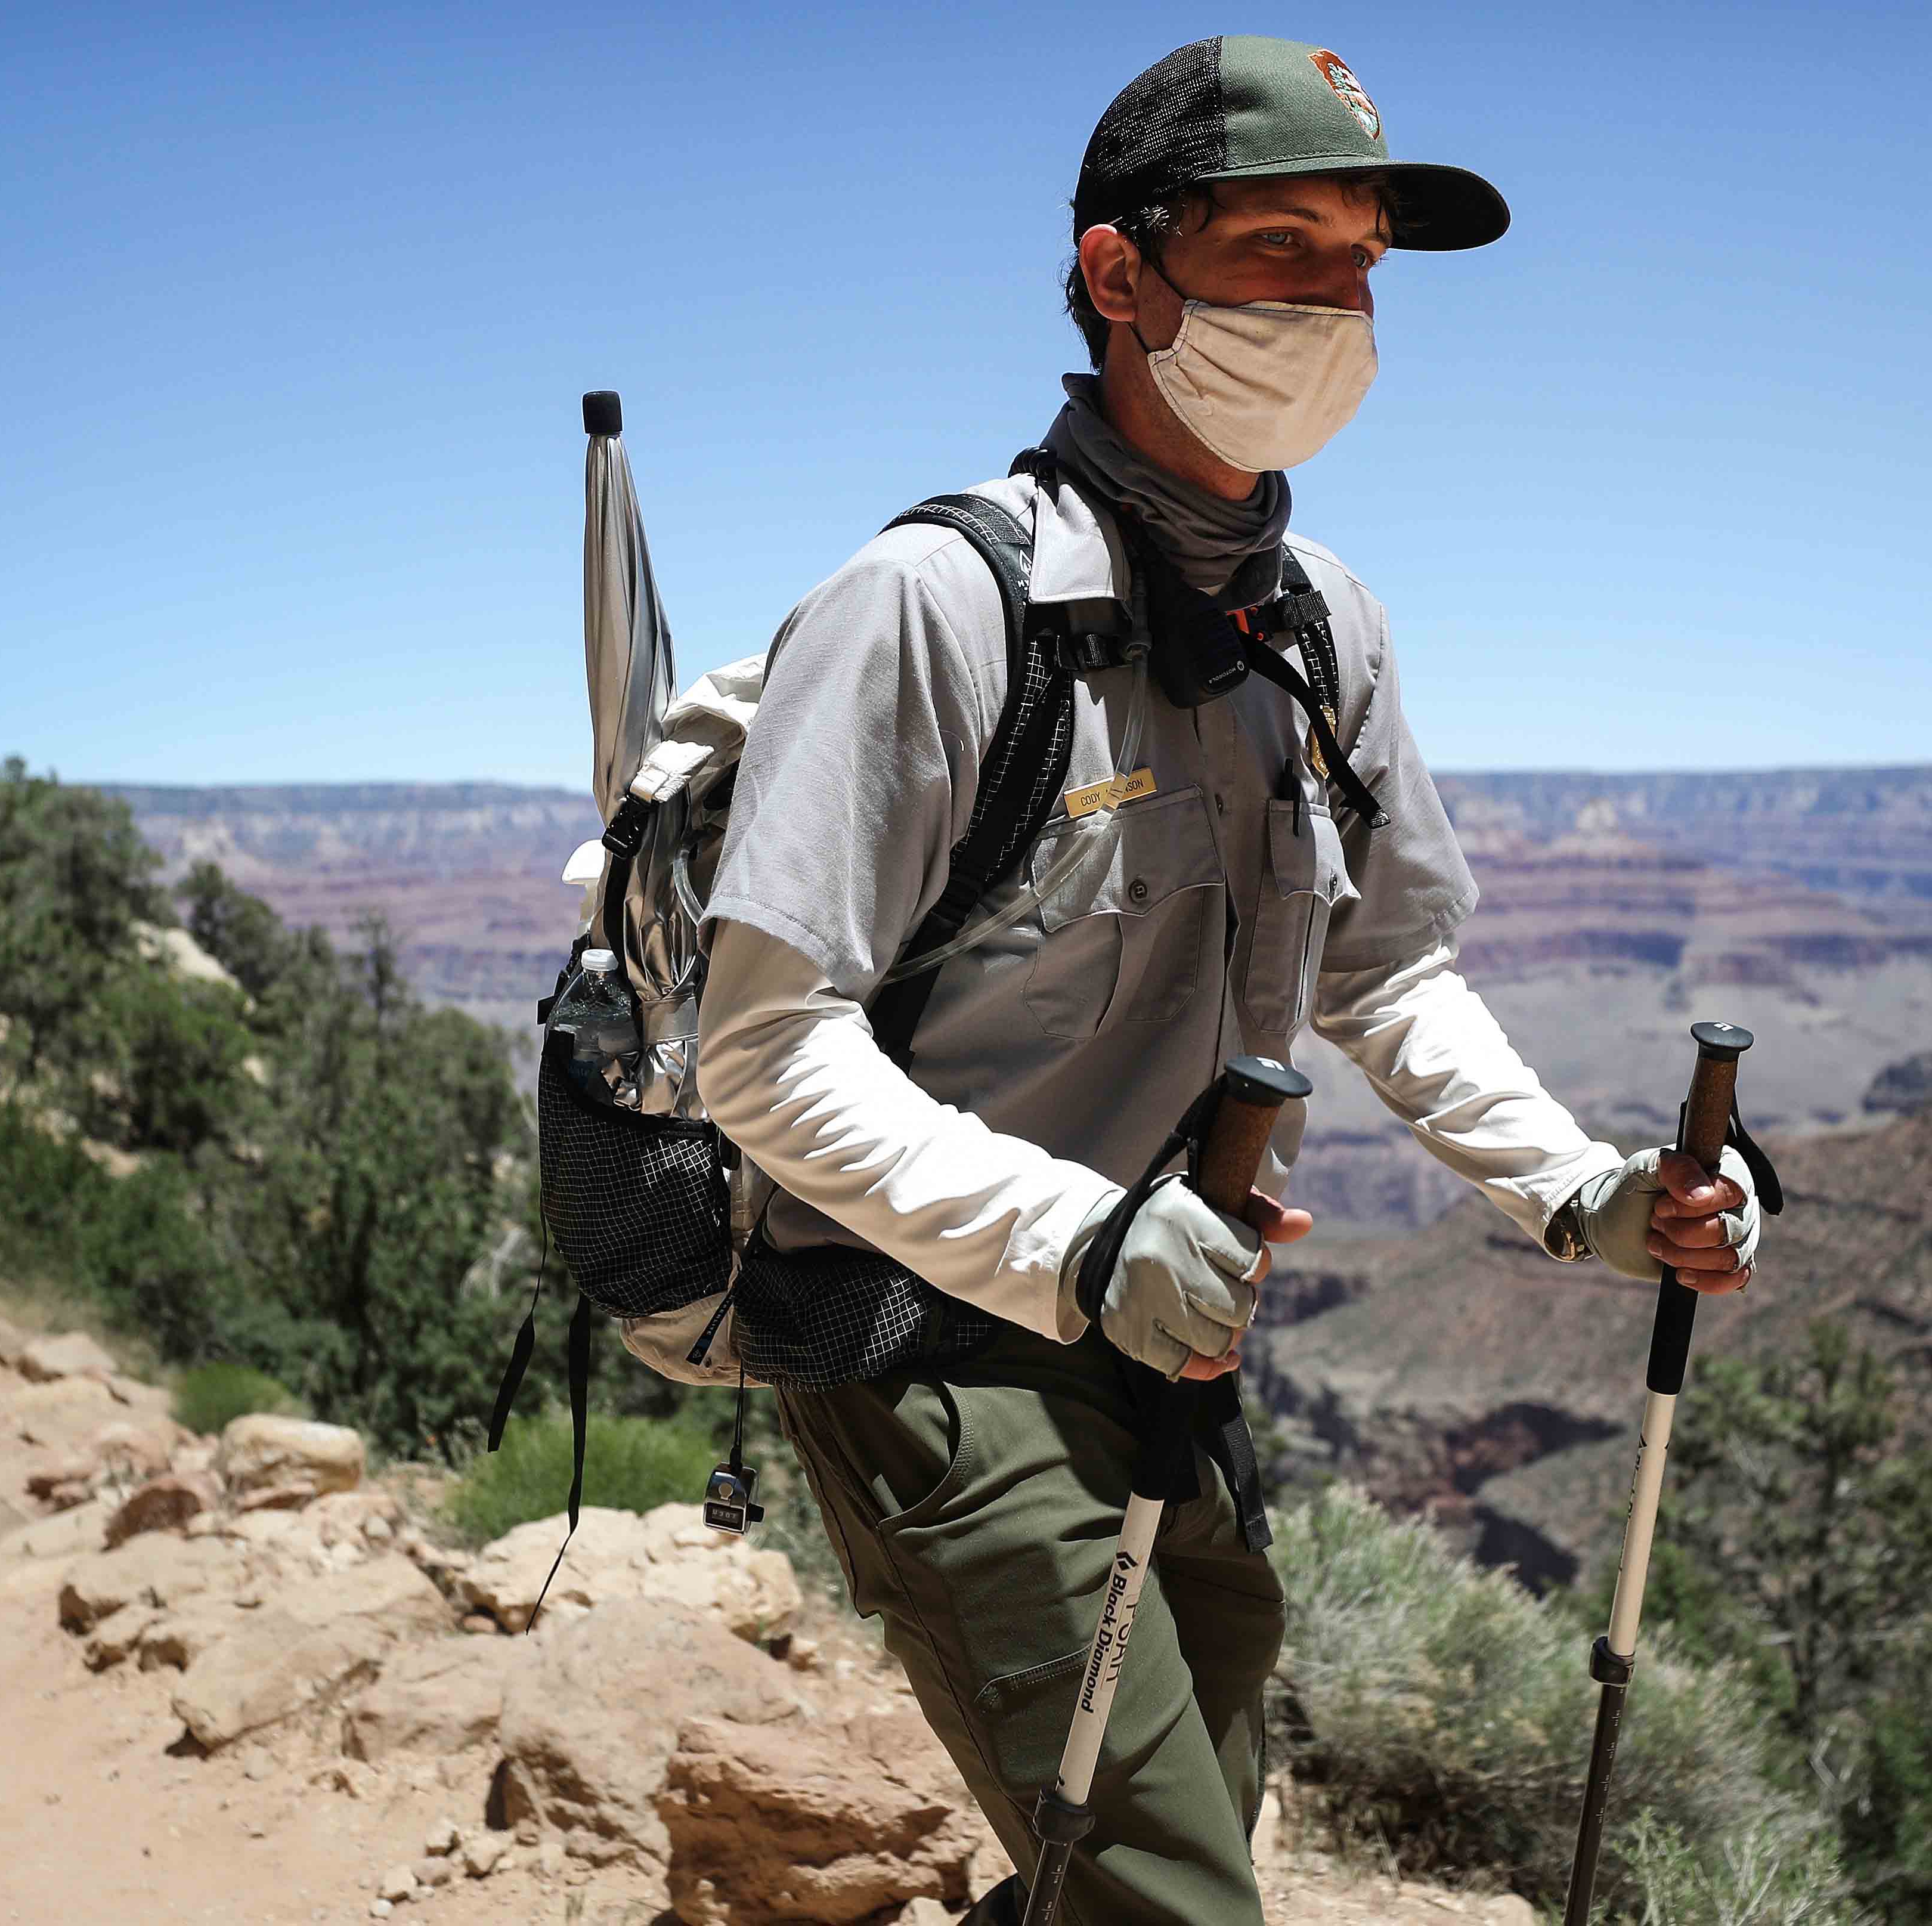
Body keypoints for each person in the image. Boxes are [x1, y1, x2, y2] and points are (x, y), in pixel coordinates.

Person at [691, 38, 1763, 1922]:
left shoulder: (1321, 621)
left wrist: (1576, 1189)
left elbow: (1388, 963)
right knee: (1162, 1883)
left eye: (1360, 263)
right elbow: (765, 1049)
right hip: (932, 1331)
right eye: (1283, 248)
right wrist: (1085, 1240)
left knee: (1193, 1784)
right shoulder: (934, 608)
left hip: (1167, 1332)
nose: (1340, 309)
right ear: (1122, 274)